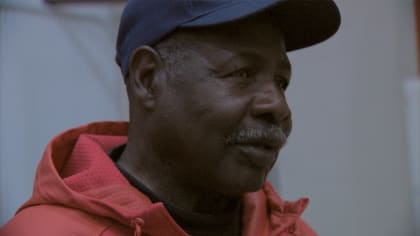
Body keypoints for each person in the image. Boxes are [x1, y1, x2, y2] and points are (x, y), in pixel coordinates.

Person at [0, 0, 340, 235]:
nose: (279, 106)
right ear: (148, 78)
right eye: (242, 73)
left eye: (282, 82)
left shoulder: (289, 231)